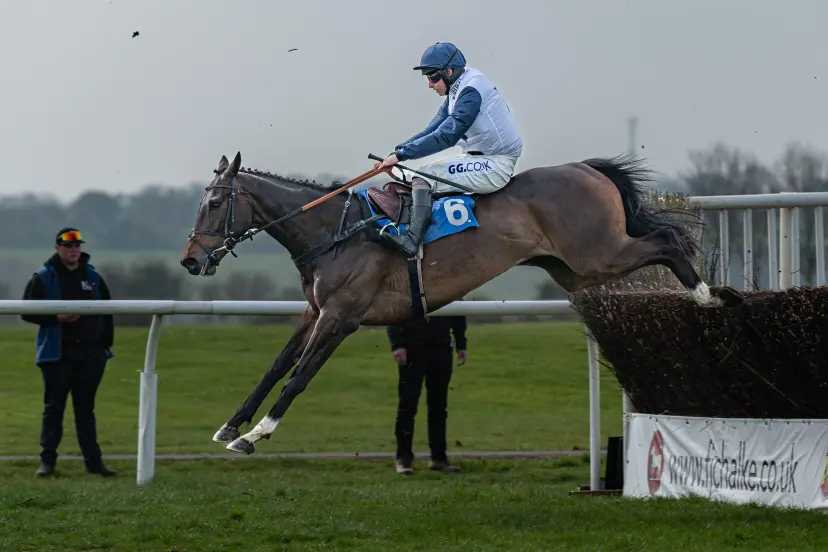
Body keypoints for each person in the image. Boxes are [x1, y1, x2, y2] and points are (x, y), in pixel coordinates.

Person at [373, 41, 523, 257]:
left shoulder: (470, 91)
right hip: (481, 158)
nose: (429, 84)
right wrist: (396, 153)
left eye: (432, 77)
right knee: (418, 175)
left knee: (424, 178)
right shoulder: (458, 87)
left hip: (495, 164)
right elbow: (433, 128)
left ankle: (411, 241)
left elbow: (447, 136)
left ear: (449, 71)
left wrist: (400, 155)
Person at [21, 228, 117, 477]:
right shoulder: (42, 277)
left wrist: (105, 347)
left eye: (77, 246)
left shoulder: (94, 277)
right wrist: (56, 318)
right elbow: (25, 311)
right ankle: (47, 462)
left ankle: (93, 463)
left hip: (90, 355)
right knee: (54, 409)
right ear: (57, 249)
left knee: (86, 411)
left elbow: (108, 312)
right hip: (57, 354)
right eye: (68, 246)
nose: (74, 250)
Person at [388, 314, 468, 475]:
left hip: (441, 348)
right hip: (412, 348)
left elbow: (457, 310)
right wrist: (397, 344)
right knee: (408, 405)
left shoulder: (447, 287)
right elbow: (394, 311)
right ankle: (403, 459)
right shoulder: (408, 286)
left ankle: (439, 458)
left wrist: (461, 344)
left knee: (438, 406)